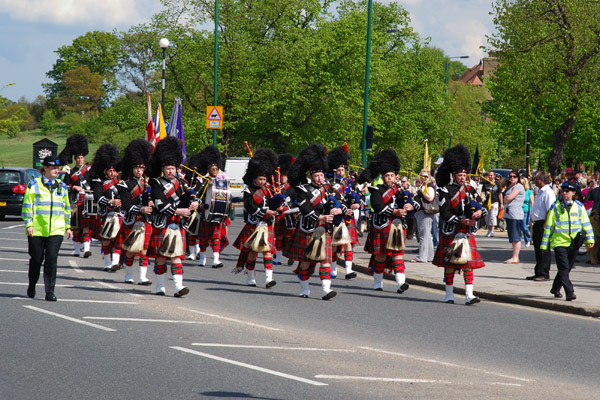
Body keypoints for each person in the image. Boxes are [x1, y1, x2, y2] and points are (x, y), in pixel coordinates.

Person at [284, 144, 339, 300]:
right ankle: (304, 289)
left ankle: (325, 290)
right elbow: (305, 210)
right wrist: (321, 217)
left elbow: (340, 203)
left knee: (325, 260)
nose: (320, 178)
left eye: (321, 175)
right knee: (306, 262)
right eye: (316, 176)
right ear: (311, 175)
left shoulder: (329, 189)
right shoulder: (303, 190)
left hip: (325, 229)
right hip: (308, 229)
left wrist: (339, 210)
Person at [357, 149, 417, 293]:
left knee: (398, 255)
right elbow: (377, 207)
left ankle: (400, 283)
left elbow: (415, 204)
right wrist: (395, 211)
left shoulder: (401, 191)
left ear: (396, 176)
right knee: (381, 256)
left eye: (392, 176)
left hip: (397, 227)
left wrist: (411, 206)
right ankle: (378, 282)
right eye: (387, 176)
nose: (390, 178)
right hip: (382, 226)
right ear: (383, 177)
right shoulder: (376, 190)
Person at [432, 145, 486, 305]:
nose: (462, 177)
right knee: (450, 265)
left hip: (467, 231)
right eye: (460, 175)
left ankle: (469, 294)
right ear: (454, 175)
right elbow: (444, 213)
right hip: (452, 230)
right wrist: (461, 220)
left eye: (464, 174)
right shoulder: (446, 190)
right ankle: (449, 294)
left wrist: (479, 214)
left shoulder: (471, 190)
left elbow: (482, 207)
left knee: (467, 265)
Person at [147, 137, 198, 297]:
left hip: (178, 225)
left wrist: (195, 203)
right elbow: (159, 204)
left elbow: (192, 196)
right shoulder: (156, 183)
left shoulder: (182, 183)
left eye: (173, 168)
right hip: (163, 223)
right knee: (161, 257)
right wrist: (178, 211)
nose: (171, 171)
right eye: (168, 168)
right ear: (163, 168)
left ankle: (178, 287)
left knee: (176, 257)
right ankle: (160, 286)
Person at [22, 156, 72, 301]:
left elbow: (66, 208)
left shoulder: (62, 186)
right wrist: (29, 224)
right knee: (36, 260)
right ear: (45, 169)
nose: (57, 170)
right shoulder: (34, 184)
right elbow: (27, 205)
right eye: (53, 168)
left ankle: (49, 292)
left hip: (56, 230)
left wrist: (68, 227)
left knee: (51, 259)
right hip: (37, 230)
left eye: (58, 168)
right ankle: (32, 284)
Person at [541, 180, 594, 301]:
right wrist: (545, 246)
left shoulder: (580, 207)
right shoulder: (555, 207)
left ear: (574, 193)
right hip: (559, 242)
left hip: (574, 242)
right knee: (564, 268)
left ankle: (555, 288)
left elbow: (586, 224)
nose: (564, 193)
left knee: (566, 268)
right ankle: (570, 292)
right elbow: (549, 227)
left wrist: (590, 239)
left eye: (567, 191)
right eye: (563, 191)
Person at [233, 148, 278, 288]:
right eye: (260, 179)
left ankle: (268, 278)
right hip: (253, 224)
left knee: (267, 251)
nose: (262, 181)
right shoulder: (248, 190)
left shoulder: (270, 189)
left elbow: (274, 203)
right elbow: (250, 206)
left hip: (267, 225)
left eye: (264, 179)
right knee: (252, 252)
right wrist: (267, 211)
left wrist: (279, 205)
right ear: (254, 178)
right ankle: (251, 277)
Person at [117, 139, 154, 285]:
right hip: (131, 219)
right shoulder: (125, 184)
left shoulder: (149, 184)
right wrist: (140, 208)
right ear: (132, 169)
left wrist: (151, 203)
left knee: (144, 249)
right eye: (136, 168)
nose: (139, 170)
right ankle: (129, 275)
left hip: (145, 219)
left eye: (141, 168)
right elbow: (125, 205)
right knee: (131, 250)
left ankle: (143, 277)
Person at [185, 146, 229, 267]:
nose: (215, 170)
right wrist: (199, 204)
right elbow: (195, 194)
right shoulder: (202, 180)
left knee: (216, 237)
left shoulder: (222, 182)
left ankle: (216, 259)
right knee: (203, 238)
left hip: (217, 212)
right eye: (212, 168)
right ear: (208, 168)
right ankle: (202, 258)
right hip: (204, 213)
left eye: (216, 168)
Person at [327, 145, 360, 279]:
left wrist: (357, 203)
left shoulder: (349, 183)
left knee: (348, 243)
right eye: (339, 170)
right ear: (334, 171)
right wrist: (342, 209)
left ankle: (348, 270)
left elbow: (357, 197)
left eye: (343, 169)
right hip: (336, 217)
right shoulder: (329, 183)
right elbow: (330, 200)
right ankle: (333, 270)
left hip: (348, 217)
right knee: (335, 244)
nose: (342, 172)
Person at [58, 134, 93, 258]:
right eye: (78, 157)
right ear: (75, 158)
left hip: (87, 201)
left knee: (86, 225)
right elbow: (64, 186)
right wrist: (73, 187)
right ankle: (77, 249)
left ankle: (87, 249)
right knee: (76, 226)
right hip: (75, 200)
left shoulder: (89, 170)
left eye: (82, 157)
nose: (80, 159)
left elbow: (94, 184)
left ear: (84, 158)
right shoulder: (70, 172)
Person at [90, 144, 123, 272]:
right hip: (105, 214)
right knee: (107, 240)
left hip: (119, 215)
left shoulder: (121, 182)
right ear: (105, 170)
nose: (112, 173)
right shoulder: (99, 182)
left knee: (118, 239)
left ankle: (115, 262)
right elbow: (97, 197)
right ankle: (107, 263)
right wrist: (110, 202)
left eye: (114, 170)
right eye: (110, 171)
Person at [528, 172, 556, 281]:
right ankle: (538, 271)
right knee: (537, 248)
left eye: (537, 179)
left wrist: (545, 224)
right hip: (537, 223)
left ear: (542, 180)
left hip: (543, 224)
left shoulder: (548, 192)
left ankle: (544, 273)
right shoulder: (541, 192)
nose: (535, 181)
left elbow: (550, 209)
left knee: (544, 249)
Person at [411, 168, 435, 263]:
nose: (423, 178)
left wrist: (421, 190)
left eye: (425, 176)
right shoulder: (424, 185)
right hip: (423, 212)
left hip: (425, 212)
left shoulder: (428, 186)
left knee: (423, 235)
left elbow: (430, 197)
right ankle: (429, 256)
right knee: (427, 235)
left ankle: (422, 257)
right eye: (422, 176)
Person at [503, 170, 525, 263]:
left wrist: (505, 198)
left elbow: (508, 198)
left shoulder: (518, 186)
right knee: (512, 236)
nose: (512, 178)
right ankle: (514, 256)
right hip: (510, 215)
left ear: (518, 178)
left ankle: (515, 257)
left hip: (515, 215)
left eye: (514, 176)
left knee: (515, 236)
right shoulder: (510, 187)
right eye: (510, 176)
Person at [482, 170, 503, 237]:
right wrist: (481, 198)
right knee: (487, 217)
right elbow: (482, 192)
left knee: (493, 216)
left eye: (491, 175)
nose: (490, 176)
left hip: (495, 202)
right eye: (489, 175)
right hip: (487, 203)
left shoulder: (497, 184)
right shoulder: (485, 183)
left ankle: (492, 231)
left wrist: (501, 203)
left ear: (494, 176)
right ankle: (489, 230)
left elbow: (500, 194)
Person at [521, 177, 534, 247]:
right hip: (518, 210)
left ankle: (528, 239)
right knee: (518, 227)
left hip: (526, 210)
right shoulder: (518, 191)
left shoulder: (529, 192)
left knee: (524, 226)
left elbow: (532, 201)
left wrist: (532, 211)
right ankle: (518, 241)